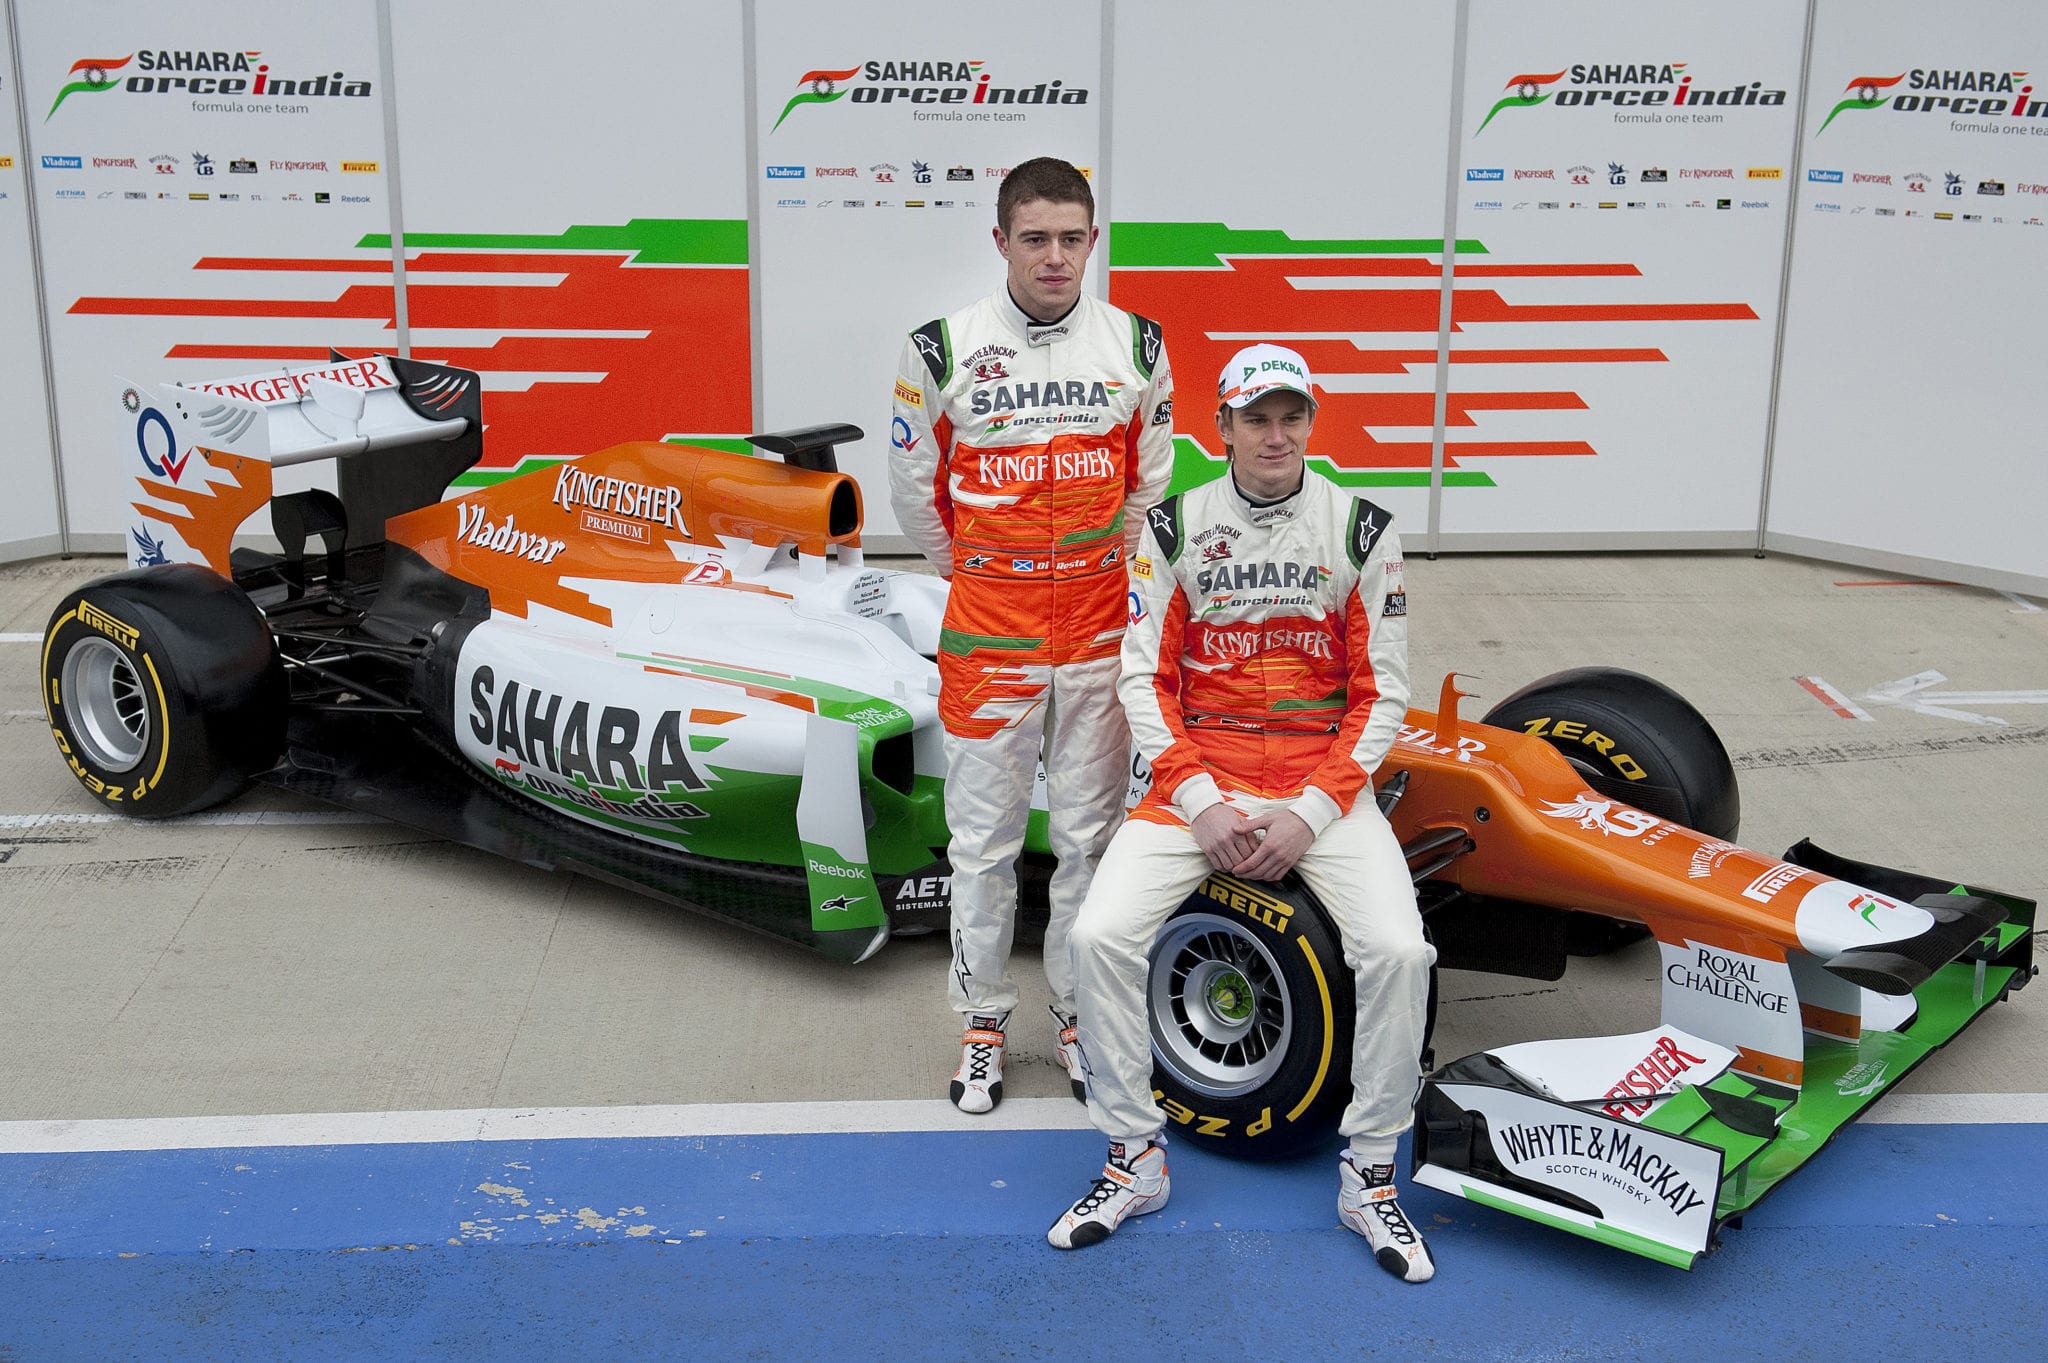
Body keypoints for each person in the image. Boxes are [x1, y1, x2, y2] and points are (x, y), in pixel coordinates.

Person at [1046, 343, 1436, 1283]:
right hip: (1199, 783)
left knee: (1400, 951)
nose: (1275, 434)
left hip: (1320, 787)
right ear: (1221, 426)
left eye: (1291, 416)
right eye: (1256, 417)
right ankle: (1134, 1158)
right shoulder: (1173, 527)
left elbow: (1382, 693)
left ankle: (1370, 1175)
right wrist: (1200, 801)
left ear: (1311, 422)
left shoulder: (1362, 529)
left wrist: (1310, 811)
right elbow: (1144, 680)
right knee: (1098, 935)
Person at [889, 157, 1175, 1113]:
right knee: (983, 846)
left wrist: (1094, 583)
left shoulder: (1138, 344)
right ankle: (982, 1021)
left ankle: (1078, 1013)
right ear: (1001, 240)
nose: (1055, 256)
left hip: (1097, 638)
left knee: (1091, 838)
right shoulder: (941, 348)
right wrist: (981, 575)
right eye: (1035, 237)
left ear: (1093, 241)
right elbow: (917, 496)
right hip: (989, 640)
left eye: (1072, 237)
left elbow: (1148, 487)